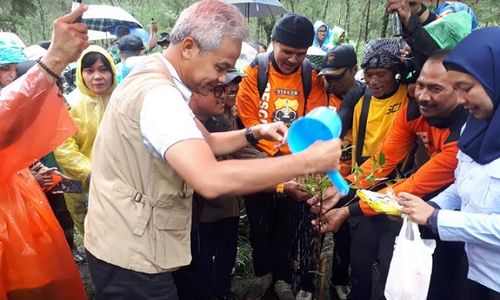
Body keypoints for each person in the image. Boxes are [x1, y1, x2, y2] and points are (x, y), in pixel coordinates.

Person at [83, 1, 341, 299]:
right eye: (220, 67)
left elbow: (205, 142)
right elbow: (210, 177)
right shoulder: (159, 96)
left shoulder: (158, 77)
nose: (222, 79)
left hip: (128, 241)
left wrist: (253, 132)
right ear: (189, 47)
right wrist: (306, 161)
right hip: (130, 256)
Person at [314, 50, 470, 300]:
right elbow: (381, 163)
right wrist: (342, 186)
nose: (423, 96)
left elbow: (413, 186)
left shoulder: (464, 134)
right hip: (428, 201)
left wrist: (347, 211)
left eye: (436, 89)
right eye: (420, 85)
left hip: (465, 214)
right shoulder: (412, 112)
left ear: (463, 91)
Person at [397, 27, 500, 299]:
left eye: (466, 89)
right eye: (456, 89)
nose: (460, 99)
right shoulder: (475, 127)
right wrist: (434, 205)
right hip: (471, 266)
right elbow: (462, 182)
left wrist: (437, 218)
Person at [236, 13, 327, 300]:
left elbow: (313, 122)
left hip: (296, 166)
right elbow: (249, 124)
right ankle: (264, 274)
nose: (292, 59)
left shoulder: (310, 76)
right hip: (259, 163)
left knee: (288, 227)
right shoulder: (254, 73)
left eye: (300, 54)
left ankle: (284, 278)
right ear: (273, 42)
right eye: (287, 52)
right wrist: (276, 162)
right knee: (259, 224)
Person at [0, 5, 89, 299]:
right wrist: (54, 59)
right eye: (3, 69)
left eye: (12, 69)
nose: (8, 77)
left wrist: (34, 175)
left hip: (35, 211)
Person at [184, 70, 244, 300]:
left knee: (227, 250)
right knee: (202, 253)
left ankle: (223, 290)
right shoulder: (184, 122)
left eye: (229, 91)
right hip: (201, 209)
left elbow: (238, 152)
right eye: (219, 90)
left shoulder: (223, 121)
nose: (225, 96)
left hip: (227, 203)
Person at [317, 43, 365, 299]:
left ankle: (339, 279)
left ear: (354, 70)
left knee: (347, 235)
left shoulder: (367, 96)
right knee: (317, 230)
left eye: (338, 77)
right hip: (323, 177)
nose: (332, 82)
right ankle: (307, 281)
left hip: (354, 178)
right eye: (328, 77)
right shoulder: (322, 95)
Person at [54, 45, 117, 235]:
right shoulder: (70, 104)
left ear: (112, 71)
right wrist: (90, 172)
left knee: (116, 222)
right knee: (85, 220)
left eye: (103, 69)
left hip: (116, 178)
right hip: (77, 180)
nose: (97, 76)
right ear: (81, 74)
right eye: (89, 71)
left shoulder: (122, 100)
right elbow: (63, 146)